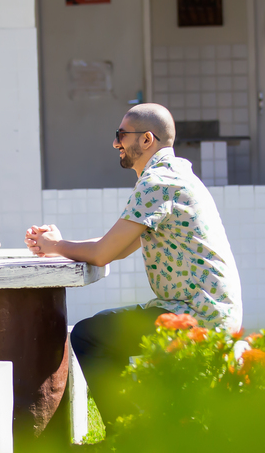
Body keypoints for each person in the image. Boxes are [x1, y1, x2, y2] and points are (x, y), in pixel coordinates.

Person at [25, 103, 242, 426]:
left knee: (88, 336)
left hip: (196, 317)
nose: (116, 143)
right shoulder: (176, 175)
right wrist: (58, 246)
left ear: (147, 140)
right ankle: (143, 426)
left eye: (121, 135)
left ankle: (132, 435)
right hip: (204, 311)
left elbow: (101, 254)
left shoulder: (157, 182)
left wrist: (55, 246)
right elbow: (118, 248)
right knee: (100, 329)